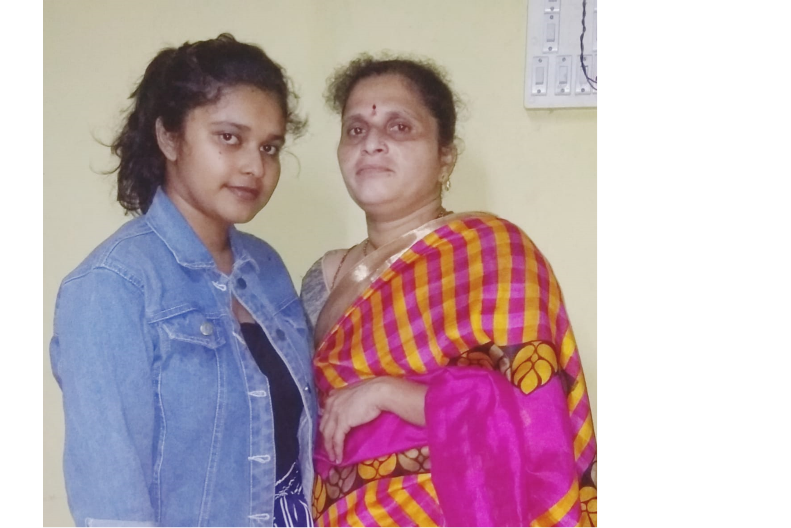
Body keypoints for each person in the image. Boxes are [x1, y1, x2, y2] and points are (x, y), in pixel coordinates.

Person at [300, 55, 597, 527]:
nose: (372, 143)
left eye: (398, 127)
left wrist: (388, 394)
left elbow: (532, 419)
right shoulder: (326, 279)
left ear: (445, 157)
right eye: (355, 130)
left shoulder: (497, 256)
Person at [50, 34, 318, 527]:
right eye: (229, 137)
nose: (254, 166)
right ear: (170, 138)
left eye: (270, 146)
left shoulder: (267, 269)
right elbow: (110, 506)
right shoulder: (113, 287)